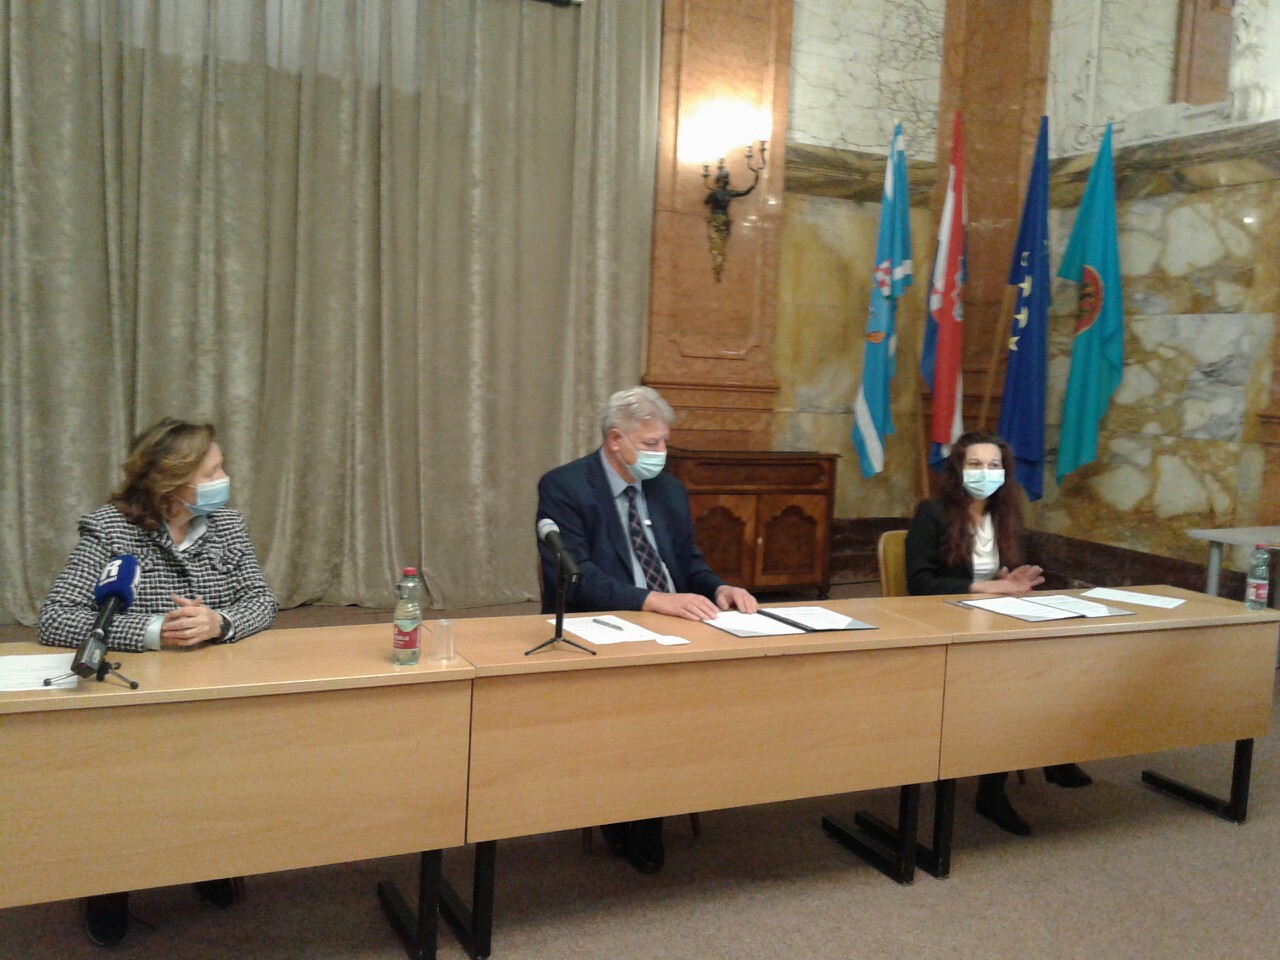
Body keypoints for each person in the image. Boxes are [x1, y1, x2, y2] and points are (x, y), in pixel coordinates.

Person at [40, 417, 277, 946]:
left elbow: (262, 600)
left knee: (214, 781)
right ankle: (108, 886)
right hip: (136, 696)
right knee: (129, 793)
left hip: (211, 689)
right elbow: (56, 616)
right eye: (212, 471)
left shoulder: (227, 524)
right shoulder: (110, 529)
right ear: (173, 481)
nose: (223, 479)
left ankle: (205, 860)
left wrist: (220, 622)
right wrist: (151, 631)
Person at [536, 386, 758, 873]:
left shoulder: (669, 490)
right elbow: (576, 578)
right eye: (652, 443)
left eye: (664, 443)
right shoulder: (565, 487)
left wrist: (719, 588)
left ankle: (687, 787)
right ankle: (636, 814)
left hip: (677, 625)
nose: (662, 454)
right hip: (605, 625)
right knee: (652, 698)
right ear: (616, 440)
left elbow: (689, 566)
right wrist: (654, 600)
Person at [904, 430, 1092, 836]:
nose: (985, 472)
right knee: (1009, 682)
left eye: (994, 465)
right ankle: (993, 790)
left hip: (994, 620)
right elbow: (919, 584)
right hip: (946, 626)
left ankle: (1051, 750)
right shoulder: (932, 513)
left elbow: (1000, 576)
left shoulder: (1003, 515)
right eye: (975, 464)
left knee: (1057, 658)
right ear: (958, 469)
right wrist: (989, 587)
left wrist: (1011, 578)